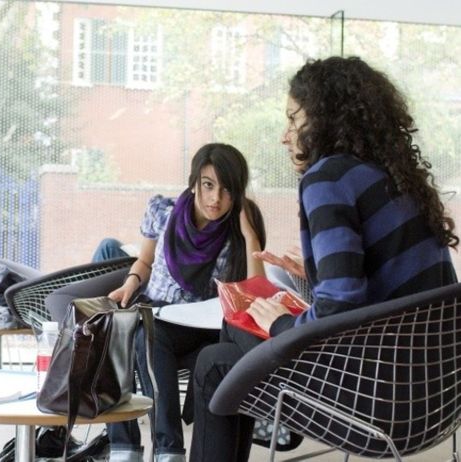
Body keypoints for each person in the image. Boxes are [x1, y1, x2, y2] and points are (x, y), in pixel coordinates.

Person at [190, 56, 458, 462]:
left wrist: (279, 322)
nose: (285, 135)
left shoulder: (328, 177)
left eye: (294, 119)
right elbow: (393, 292)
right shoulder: (398, 177)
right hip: (440, 397)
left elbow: (341, 304)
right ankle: (259, 414)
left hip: (376, 402)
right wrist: (313, 276)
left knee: (217, 359)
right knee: (223, 359)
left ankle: (264, 420)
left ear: (326, 119)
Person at [91, 143, 266, 462]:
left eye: (227, 190)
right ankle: (133, 448)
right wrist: (130, 284)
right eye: (208, 185)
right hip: (159, 314)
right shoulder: (163, 212)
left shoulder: (236, 229)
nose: (216, 199)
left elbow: (253, 292)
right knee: (129, 330)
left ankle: (166, 449)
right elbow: (144, 261)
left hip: (207, 326)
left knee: (145, 333)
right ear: (194, 181)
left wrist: (251, 237)